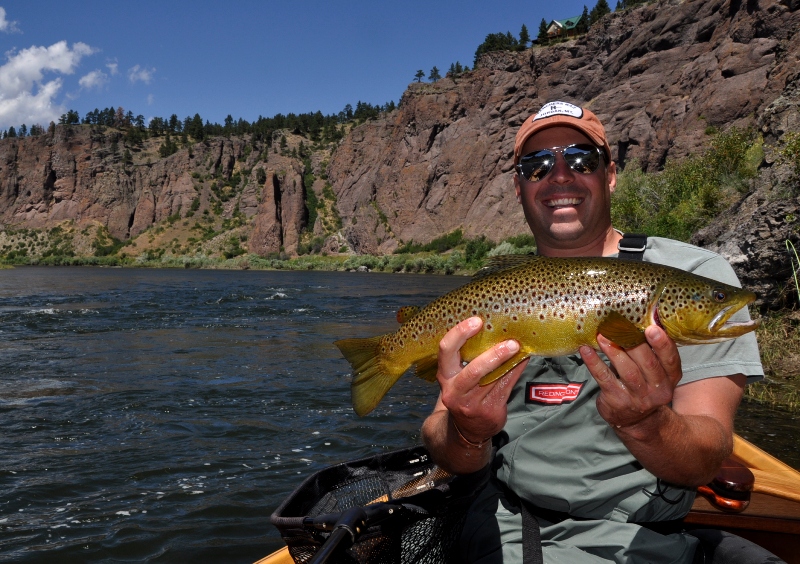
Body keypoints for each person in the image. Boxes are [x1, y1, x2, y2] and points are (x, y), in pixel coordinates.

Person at [420, 100, 764, 563]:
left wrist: (647, 424)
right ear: (519, 187)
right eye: (537, 165)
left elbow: (706, 459)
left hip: (642, 537)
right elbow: (445, 446)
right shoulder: (492, 295)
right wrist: (468, 431)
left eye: (581, 160)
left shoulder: (696, 272)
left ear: (610, 174)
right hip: (506, 525)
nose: (560, 176)